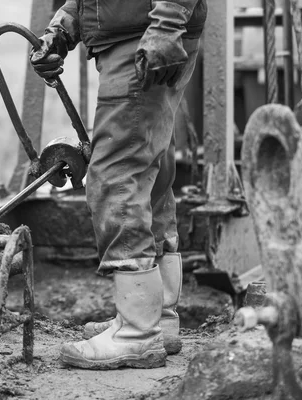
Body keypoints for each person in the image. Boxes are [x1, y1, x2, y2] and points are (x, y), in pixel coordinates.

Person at [29, 0, 207, 369]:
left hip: (145, 36)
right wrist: (63, 28)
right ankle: (158, 319)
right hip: (142, 33)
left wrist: (167, 25)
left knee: (116, 174)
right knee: (148, 173)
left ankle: (137, 334)